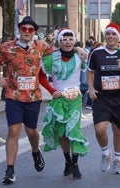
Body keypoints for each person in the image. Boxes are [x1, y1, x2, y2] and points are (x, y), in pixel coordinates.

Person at [0, 16, 54, 185]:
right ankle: (10, 170)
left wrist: (78, 50)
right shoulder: (7, 47)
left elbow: (57, 53)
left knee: (31, 131)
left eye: (30, 29)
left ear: (34, 32)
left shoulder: (41, 46)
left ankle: (35, 150)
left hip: (33, 97)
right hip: (13, 95)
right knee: (13, 131)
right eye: (24, 29)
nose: (27, 32)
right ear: (19, 30)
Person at [87, 22, 120, 174]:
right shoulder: (96, 53)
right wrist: (90, 88)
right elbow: (90, 72)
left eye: (113, 34)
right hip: (101, 97)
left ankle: (118, 158)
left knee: (118, 131)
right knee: (99, 129)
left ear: (118, 37)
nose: (110, 37)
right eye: (108, 34)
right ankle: (105, 153)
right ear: (105, 36)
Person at [40, 28, 88, 179]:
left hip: (75, 99)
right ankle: (67, 161)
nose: (68, 42)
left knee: (73, 131)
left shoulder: (80, 55)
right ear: (59, 41)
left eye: (70, 39)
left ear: (74, 41)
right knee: (63, 134)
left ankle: (75, 164)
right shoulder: (51, 58)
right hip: (59, 99)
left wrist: (78, 49)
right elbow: (40, 77)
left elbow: (91, 67)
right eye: (64, 39)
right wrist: (51, 90)